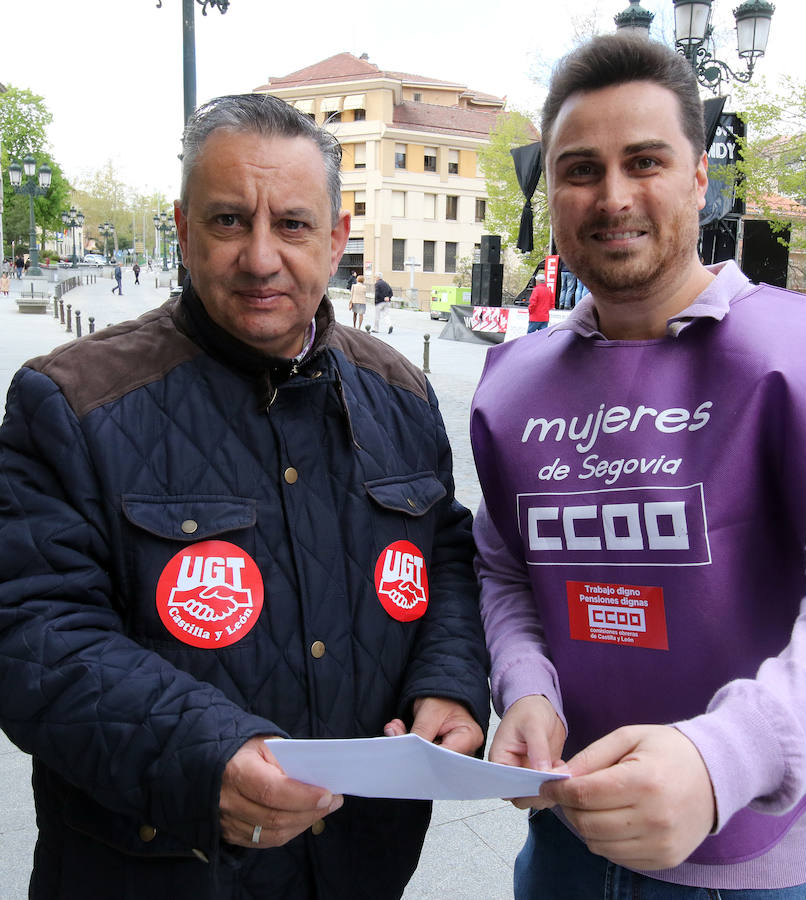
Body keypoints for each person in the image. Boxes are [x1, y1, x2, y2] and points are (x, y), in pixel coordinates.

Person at [0, 92, 489, 900]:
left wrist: (448, 679)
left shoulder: (400, 393)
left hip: (356, 865)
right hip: (153, 872)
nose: (261, 257)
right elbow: (33, 631)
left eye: (293, 225)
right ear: (184, 231)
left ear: (337, 241)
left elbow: (446, 558)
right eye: (230, 221)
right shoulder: (71, 402)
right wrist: (203, 755)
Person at [470, 34, 806, 900]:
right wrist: (525, 690)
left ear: (701, 178)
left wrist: (719, 761)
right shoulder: (514, 386)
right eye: (580, 168)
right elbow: (504, 566)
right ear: (550, 191)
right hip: (565, 844)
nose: (613, 196)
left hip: (758, 867)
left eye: (646, 160)